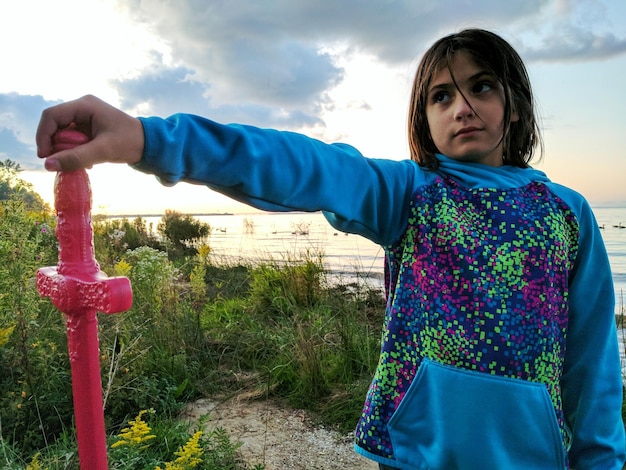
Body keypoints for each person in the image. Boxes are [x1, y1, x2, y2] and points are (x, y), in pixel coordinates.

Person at [36, 28, 625, 469]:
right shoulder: (409, 192)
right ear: (423, 117)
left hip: (533, 455)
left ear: (515, 103)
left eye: (482, 87)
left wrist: (601, 461)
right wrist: (149, 138)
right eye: (441, 96)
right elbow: (302, 165)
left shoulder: (564, 211)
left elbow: (593, 359)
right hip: (420, 448)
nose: (462, 107)